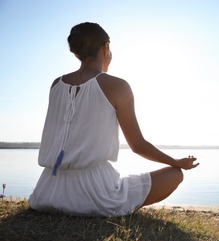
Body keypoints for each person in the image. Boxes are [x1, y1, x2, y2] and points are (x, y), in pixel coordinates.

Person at [28, 22, 199, 217]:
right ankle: (119, 208)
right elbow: (138, 145)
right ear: (106, 47)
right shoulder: (118, 86)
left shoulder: (56, 85)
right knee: (175, 175)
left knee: (132, 183)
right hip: (96, 194)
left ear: (77, 53)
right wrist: (176, 161)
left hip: (47, 191)